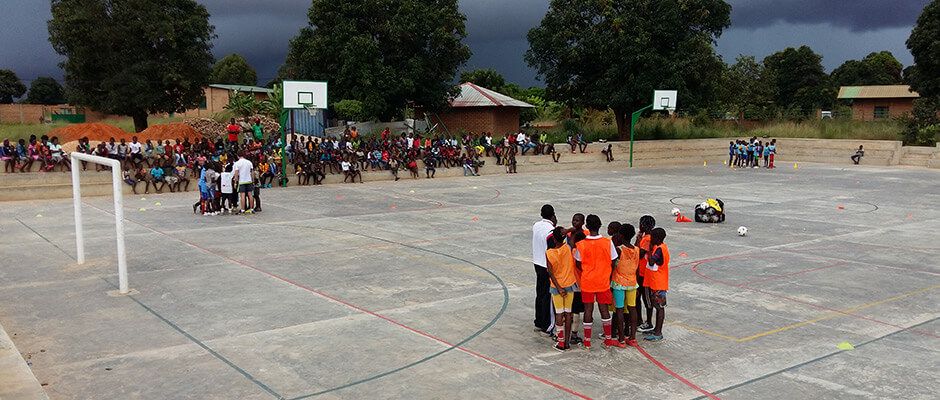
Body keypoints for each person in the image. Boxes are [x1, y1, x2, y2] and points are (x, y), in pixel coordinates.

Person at [573, 214, 619, 349]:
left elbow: (578, 263)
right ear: (600, 226)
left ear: (586, 226)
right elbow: (613, 260)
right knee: (604, 309)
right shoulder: (607, 242)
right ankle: (608, 339)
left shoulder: (581, 244)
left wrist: (588, 270)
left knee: (588, 310)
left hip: (587, 281)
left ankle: (587, 341)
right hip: (603, 280)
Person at [546, 227, 578, 351]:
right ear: (564, 236)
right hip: (569, 284)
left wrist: (559, 288)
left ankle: (560, 342)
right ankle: (568, 342)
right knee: (568, 313)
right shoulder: (568, 248)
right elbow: (574, 230)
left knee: (559, 313)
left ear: (553, 238)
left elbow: (550, 272)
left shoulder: (549, 253)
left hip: (556, 287)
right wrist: (566, 231)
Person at [612, 224, 640, 347]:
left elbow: (612, 265)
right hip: (632, 282)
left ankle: (621, 338)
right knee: (632, 308)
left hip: (619, 282)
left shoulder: (619, 249)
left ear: (621, 235)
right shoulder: (637, 250)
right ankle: (632, 337)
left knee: (619, 309)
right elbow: (637, 267)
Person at [531, 204, 557, 336]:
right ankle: (547, 325)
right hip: (546, 264)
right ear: (553, 215)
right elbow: (552, 248)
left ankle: (539, 321)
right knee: (548, 295)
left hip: (537, 262)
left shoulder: (536, 225)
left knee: (540, 293)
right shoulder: (551, 230)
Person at [644, 228, 669, 341]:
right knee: (657, 306)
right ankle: (656, 329)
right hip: (656, 282)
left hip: (658, 283)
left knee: (659, 308)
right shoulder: (660, 247)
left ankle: (658, 332)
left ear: (657, 238)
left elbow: (651, 261)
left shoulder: (659, 249)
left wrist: (648, 250)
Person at [635, 215, 656, 333]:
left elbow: (639, 253)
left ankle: (648, 321)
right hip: (640, 273)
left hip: (645, 274)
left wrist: (638, 242)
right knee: (638, 297)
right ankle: (639, 319)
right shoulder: (644, 238)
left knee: (646, 298)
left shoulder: (647, 239)